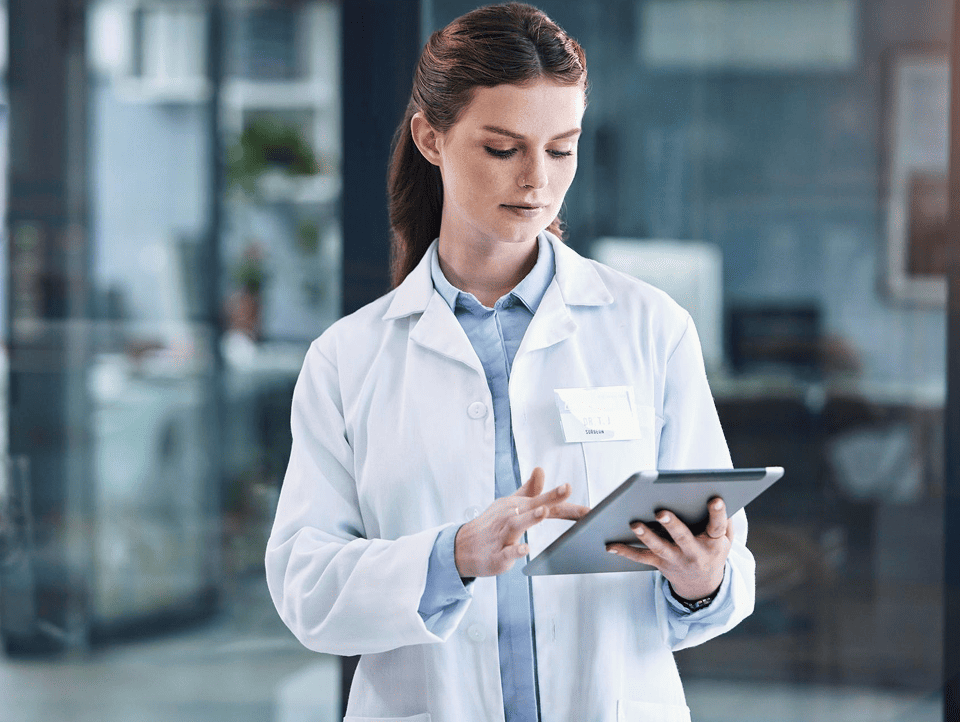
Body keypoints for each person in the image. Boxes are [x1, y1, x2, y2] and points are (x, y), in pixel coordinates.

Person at [265, 4, 755, 721]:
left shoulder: (650, 328)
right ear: (431, 138)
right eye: (503, 149)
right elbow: (306, 589)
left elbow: (721, 567)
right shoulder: (350, 359)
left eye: (562, 149)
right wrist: (454, 555)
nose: (538, 181)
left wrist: (702, 578)